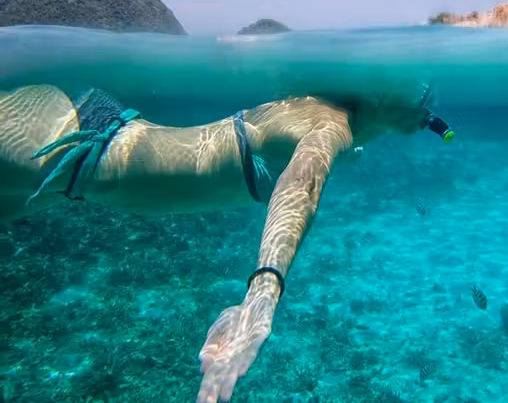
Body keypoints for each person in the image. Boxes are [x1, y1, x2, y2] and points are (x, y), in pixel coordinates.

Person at [0, 83, 455, 402]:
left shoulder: (342, 123)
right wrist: (262, 295)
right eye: (419, 92)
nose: (428, 102)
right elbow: (302, 185)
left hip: (79, 158)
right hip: (67, 145)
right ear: (377, 91)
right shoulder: (329, 123)